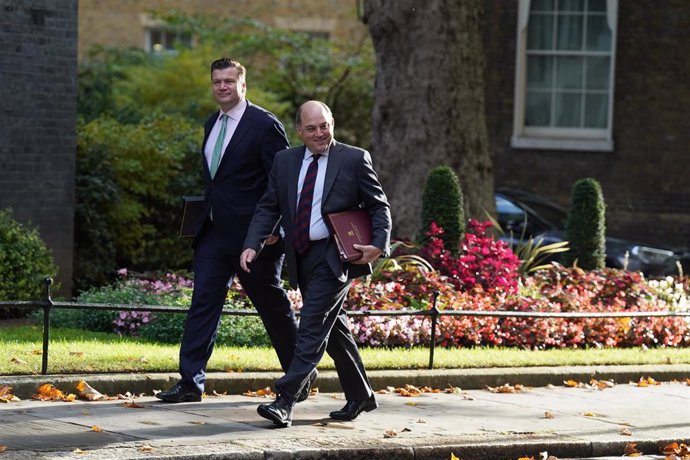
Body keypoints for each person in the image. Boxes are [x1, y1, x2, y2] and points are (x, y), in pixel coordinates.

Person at [156, 58, 315, 403]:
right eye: (217, 82)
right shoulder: (211, 122)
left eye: (229, 81)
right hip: (213, 233)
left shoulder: (263, 124)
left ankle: (298, 375)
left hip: (254, 238)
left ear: (243, 85)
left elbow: (284, 180)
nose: (223, 87)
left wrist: (272, 229)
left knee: (271, 305)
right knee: (203, 304)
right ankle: (189, 382)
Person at [240, 100, 392, 427]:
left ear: (332, 122)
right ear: (299, 131)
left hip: (335, 256)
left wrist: (379, 244)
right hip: (301, 255)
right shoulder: (284, 161)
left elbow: (379, 207)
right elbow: (269, 206)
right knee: (332, 328)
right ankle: (360, 394)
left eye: (325, 125)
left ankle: (285, 400)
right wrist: (253, 243)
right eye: (312, 128)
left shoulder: (353, 159)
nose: (320, 133)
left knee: (311, 324)